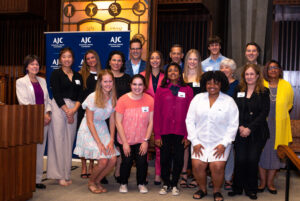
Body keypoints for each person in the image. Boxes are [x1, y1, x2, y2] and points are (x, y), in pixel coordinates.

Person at [186, 71, 239, 201]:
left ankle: (216, 191)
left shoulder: (229, 101)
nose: (212, 86)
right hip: (199, 141)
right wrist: (194, 141)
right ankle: (202, 189)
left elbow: (233, 125)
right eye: (209, 83)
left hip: (220, 142)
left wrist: (224, 144)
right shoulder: (197, 99)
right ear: (205, 84)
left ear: (221, 84)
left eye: (216, 83)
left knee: (217, 166)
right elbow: (189, 120)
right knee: (197, 165)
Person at [228, 64, 270, 200]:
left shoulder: (264, 91)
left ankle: (251, 189)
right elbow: (233, 110)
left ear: (257, 75)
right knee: (240, 159)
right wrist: (240, 126)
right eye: (247, 74)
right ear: (243, 76)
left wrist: (249, 128)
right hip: (239, 131)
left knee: (252, 160)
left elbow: (264, 113)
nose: (249, 77)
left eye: (252, 74)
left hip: (257, 132)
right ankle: (237, 187)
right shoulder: (238, 89)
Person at [74, 70, 119, 194]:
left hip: (102, 128)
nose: (108, 84)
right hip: (89, 129)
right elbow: (89, 122)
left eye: (110, 81)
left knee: (113, 159)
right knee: (103, 159)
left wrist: (111, 140)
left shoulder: (113, 98)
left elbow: (112, 120)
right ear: (100, 82)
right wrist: (99, 143)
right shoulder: (92, 97)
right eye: (105, 81)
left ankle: (97, 181)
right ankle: (91, 182)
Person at [154, 63, 193, 196]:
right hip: (164, 130)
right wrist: (157, 135)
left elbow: (191, 113)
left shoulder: (187, 89)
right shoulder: (161, 90)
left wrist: (188, 135)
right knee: (164, 159)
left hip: (181, 131)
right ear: (166, 74)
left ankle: (174, 183)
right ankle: (166, 183)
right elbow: (157, 113)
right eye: (170, 70)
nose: (173, 72)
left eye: (175, 70)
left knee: (179, 159)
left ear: (180, 72)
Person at [47, 47, 83, 186]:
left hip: (74, 108)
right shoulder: (56, 74)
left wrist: (73, 110)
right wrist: (67, 110)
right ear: (60, 59)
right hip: (59, 107)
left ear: (72, 59)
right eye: (64, 57)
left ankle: (66, 173)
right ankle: (58, 175)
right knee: (58, 141)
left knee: (68, 142)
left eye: (69, 56)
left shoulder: (78, 76)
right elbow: (56, 93)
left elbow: (81, 95)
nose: (67, 59)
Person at [258, 60, 294, 194]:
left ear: (280, 70)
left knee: (276, 154)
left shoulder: (286, 85)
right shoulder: (261, 84)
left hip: (279, 125)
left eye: (275, 68)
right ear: (266, 71)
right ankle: (262, 182)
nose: (273, 70)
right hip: (263, 125)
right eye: (270, 68)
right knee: (261, 153)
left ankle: (270, 183)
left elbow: (289, 104)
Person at [16, 55, 52, 189]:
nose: (35, 67)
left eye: (37, 64)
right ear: (26, 67)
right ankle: (26, 178)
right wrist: (40, 116)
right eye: (32, 64)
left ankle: (37, 179)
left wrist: (47, 113)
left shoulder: (42, 81)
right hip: (30, 121)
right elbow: (24, 102)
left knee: (40, 151)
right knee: (29, 150)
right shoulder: (21, 82)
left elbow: (47, 100)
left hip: (44, 121)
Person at [115, 74, 154, 194]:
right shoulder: (122, 100)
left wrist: (146, 140)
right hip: (125, 139)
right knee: (126, 162)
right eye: (134, 84)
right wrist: (125, 143)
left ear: (144, 86)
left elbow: (151, 122)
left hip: (141, 139)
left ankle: (141, 183)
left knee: (142, 162)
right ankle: (123, 183)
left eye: (140, 84)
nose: (137, 87)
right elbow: (118, 121)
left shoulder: (150, 100)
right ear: (130, 85)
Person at [106, 50, 131, 183]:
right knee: (107, 142)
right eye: (114, 60)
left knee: (120, 143)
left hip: (122, 116)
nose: (116, 63)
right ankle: (103, 171)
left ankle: (118, 171)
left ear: (122, 63)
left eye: (119, 60)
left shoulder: (127, 78)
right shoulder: (104, 76)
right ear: (109, 62)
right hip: (105, 115)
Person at [140, 50, 164, 185]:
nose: (155, 60)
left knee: (159, 146)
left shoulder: (165, 76)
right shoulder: (142, 76)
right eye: (152, 58)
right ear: (149, 61)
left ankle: (158, 174)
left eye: (157, 58)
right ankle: (143, 173)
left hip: (160, 115)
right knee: (144, 146)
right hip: (146, 115)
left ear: (161, 60)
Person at [77, 50, 102, 179]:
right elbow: (79, 94)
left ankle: (92, 166)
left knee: (93, 139)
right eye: (88, 59)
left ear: (96, 58)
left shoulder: (102, 74)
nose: (91, 60)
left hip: (98, 111)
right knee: (83, 139)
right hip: (84, 110)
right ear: (85, 61)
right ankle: (84, 166)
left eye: (93, 57)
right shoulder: (81, 75)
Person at [180, 49, 203, 188]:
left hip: (199, 117)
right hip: (183, 115)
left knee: (197, 145)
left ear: (198, 61)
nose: (192, 62)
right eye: (190, 59)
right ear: (186, 60)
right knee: (185, 145)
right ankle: (183, 173)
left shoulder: (203, 77)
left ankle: (196, 175)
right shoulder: (181, 77)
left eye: (195, 59)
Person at [219, 58, 239, 190]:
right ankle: (217, 178)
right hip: (217, 122)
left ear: (232, 70)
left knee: (229, 151)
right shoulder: (217, 83)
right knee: (217, 150)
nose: (225, 70)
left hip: (231, 121)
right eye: (222, 67)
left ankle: (227, 178)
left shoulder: (238, 85)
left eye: (227, 67)